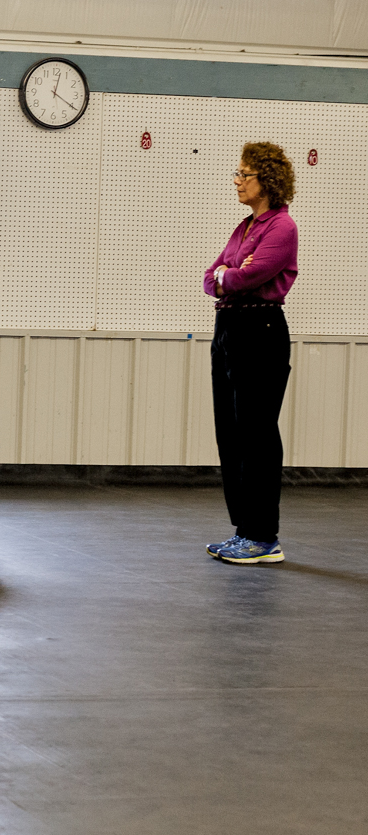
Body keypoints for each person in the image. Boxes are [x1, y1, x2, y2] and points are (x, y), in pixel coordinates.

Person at [203, 142, 298, 565]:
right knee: (232, 432)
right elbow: (212, 278)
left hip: (259, 332)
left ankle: (264, 536)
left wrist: (230, 275)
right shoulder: (244, 228)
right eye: (237, 173)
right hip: (229, 330)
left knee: (257, 433)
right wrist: (227, 275)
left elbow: (251, 275)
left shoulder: (282, 227)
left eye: (244, 174)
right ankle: (244, 531)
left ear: (267, 181)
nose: (237, 181)